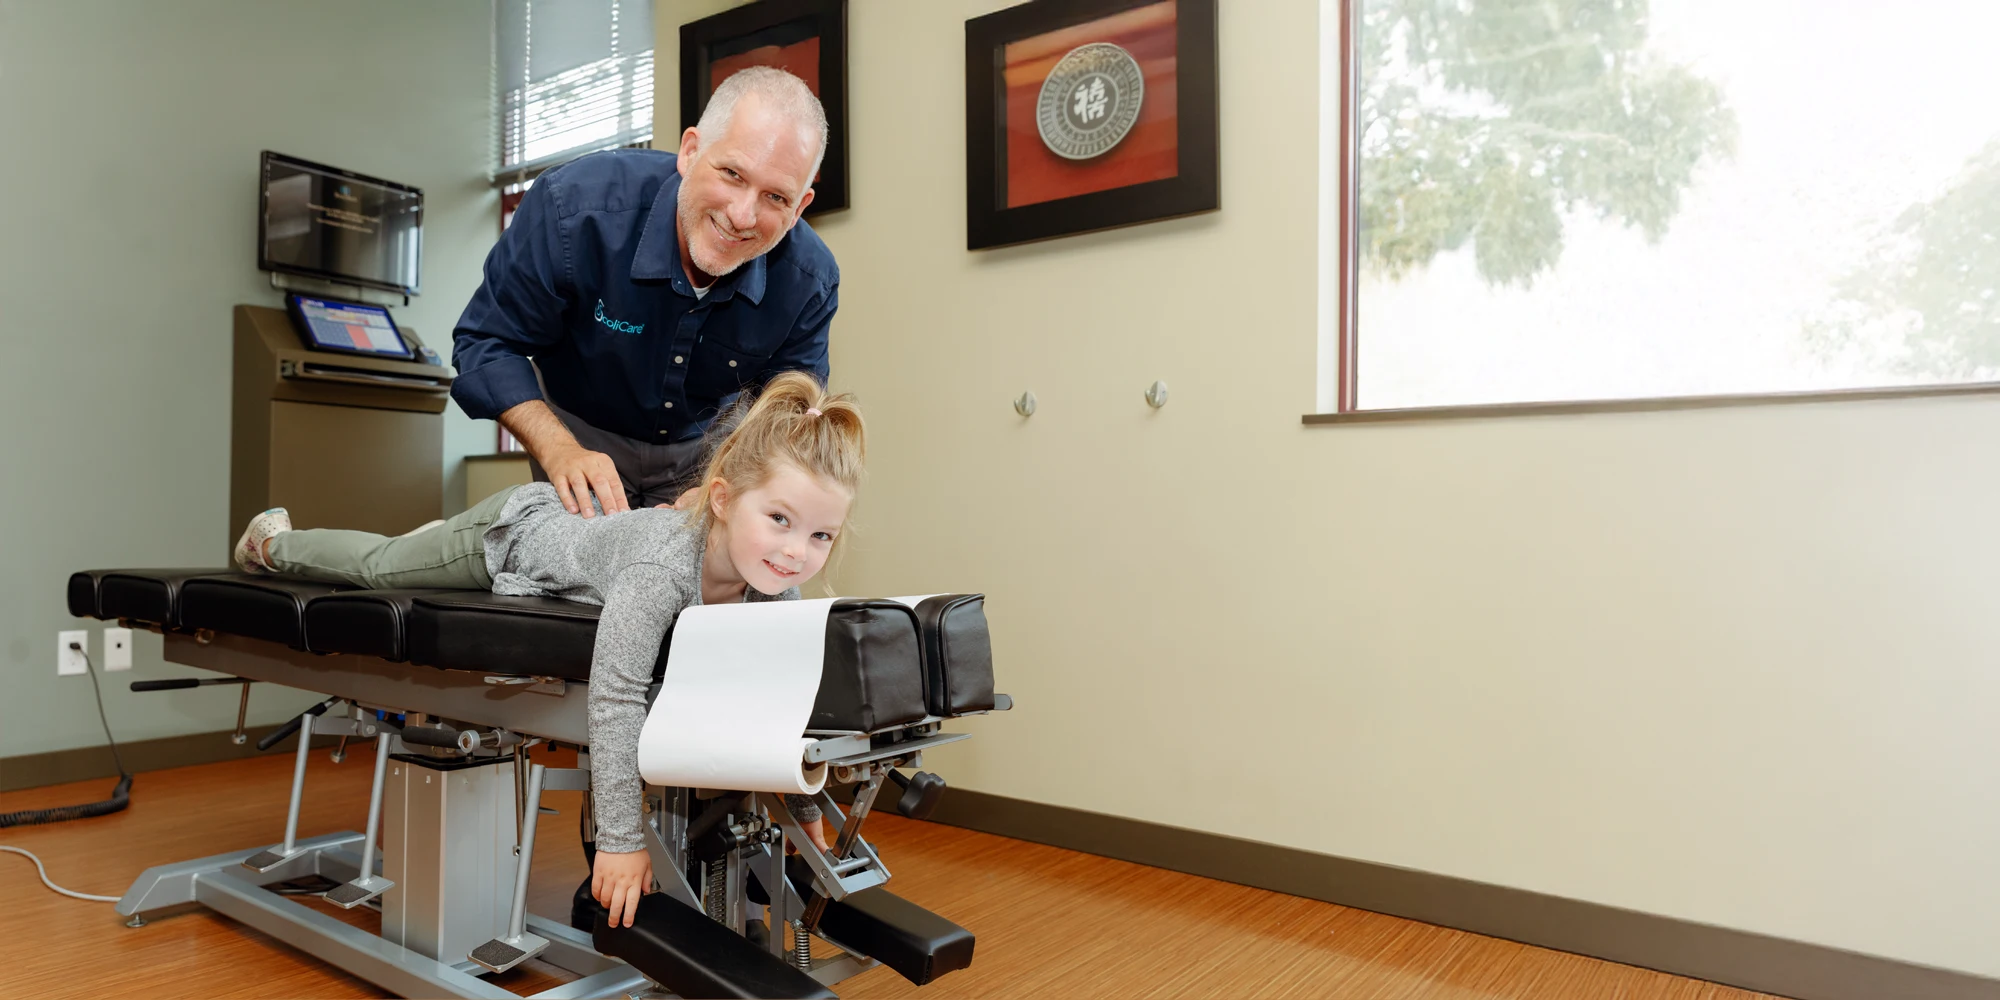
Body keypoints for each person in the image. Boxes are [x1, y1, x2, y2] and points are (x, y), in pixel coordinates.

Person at [230, 372, 864, 929]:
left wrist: (803, 807)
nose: (794, 551)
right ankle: (274, 545)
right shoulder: (662, 567)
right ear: (722, 500)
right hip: (511, 536)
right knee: (380, 568)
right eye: (778, 519)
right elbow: (615, 697)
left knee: (400, 560)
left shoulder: (779, 591)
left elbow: (776, 706)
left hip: (584, 545)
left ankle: (420, 541)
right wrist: (619, 842)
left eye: (819, 535)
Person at [452, 66, 838, 516]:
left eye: (776, 197)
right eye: (732, 173)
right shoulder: (571, 210)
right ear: (691, 151)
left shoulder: (810, 279)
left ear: (800, 208)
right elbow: (487, 342)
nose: (743, 215)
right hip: (576, 428)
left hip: (707, 450)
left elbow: (787, 410)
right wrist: (558, 448)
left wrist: (732, 478)